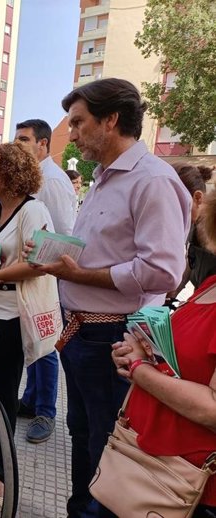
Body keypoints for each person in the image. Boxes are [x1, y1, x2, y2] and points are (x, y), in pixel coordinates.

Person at [30, 78, 191, 517]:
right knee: (82, 434)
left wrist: (81, 274)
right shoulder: (104, 178)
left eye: (80, 123)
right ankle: (81, 509)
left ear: (112, 120)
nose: (74, 133)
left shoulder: (152, 180)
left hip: (114, 338)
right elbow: (106, 249)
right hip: (82, 335)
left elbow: (164, 270)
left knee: (107, 443)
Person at [110, 189, 216, 518]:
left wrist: (140, 370)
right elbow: (185, 356)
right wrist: (142, 348)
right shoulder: (209, 284)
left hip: (188, 482)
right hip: (147, 455)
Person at [0, 142, 54, 434]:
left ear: (12, 174)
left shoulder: (33, 210)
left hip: (13, 315)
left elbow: (38, 264)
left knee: (4, 390)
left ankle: (0, 471)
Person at [14, 119, 78, 444]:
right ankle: (30, 400)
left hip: (48, 277)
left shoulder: (52, 181)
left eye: (24, 139)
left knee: (46, 343)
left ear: (43, 144)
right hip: (33, 273)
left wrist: (44, 262)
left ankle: (45, 412)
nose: (18, 145)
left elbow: (67, 234)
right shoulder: (34, 178)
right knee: (34, 340)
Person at [168, 164, 216, 300]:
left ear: (198, 198)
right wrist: (173, 293)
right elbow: (191, 261)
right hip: (202, 296)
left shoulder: (209, 226)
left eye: (175, 206)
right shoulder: (192, 224)